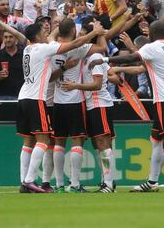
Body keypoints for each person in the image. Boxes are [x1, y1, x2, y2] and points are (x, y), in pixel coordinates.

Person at [89, 20, 164, 192]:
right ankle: (152, 181)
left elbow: (130, 58)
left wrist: (105, 59)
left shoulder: (151, 48)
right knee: (156, 140)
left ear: (151, 35)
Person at [17, 20, 103, 193]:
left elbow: (51, 73)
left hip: (24, 96)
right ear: (37, 36)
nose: (46, 35)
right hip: (37, 98)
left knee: (29, 142)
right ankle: (29, 180)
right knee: (43, 140)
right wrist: (95, 33)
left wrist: (63, 66)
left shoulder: (28, 49)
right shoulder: (43, 48)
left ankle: (26, 181)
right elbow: (76, 43)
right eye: (43, 32)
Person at [50, 19, 107, 193]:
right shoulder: (78, 49)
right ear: (74, 31)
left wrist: (56, 28)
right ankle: (74, 184)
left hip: (57, 100)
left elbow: (51, 78)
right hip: (75, 100)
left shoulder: (52, 47)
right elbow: (102, 49)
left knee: (59, 142)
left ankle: (59, 185)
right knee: (77, 141)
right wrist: (98, 31)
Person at [0, 17, 27, 100]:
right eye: (5, 37)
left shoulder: (24, 54)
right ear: (3, 38)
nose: (8, 39)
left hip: (21, 95)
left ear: (16, 38)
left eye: (11, 37)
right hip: (2, 95)